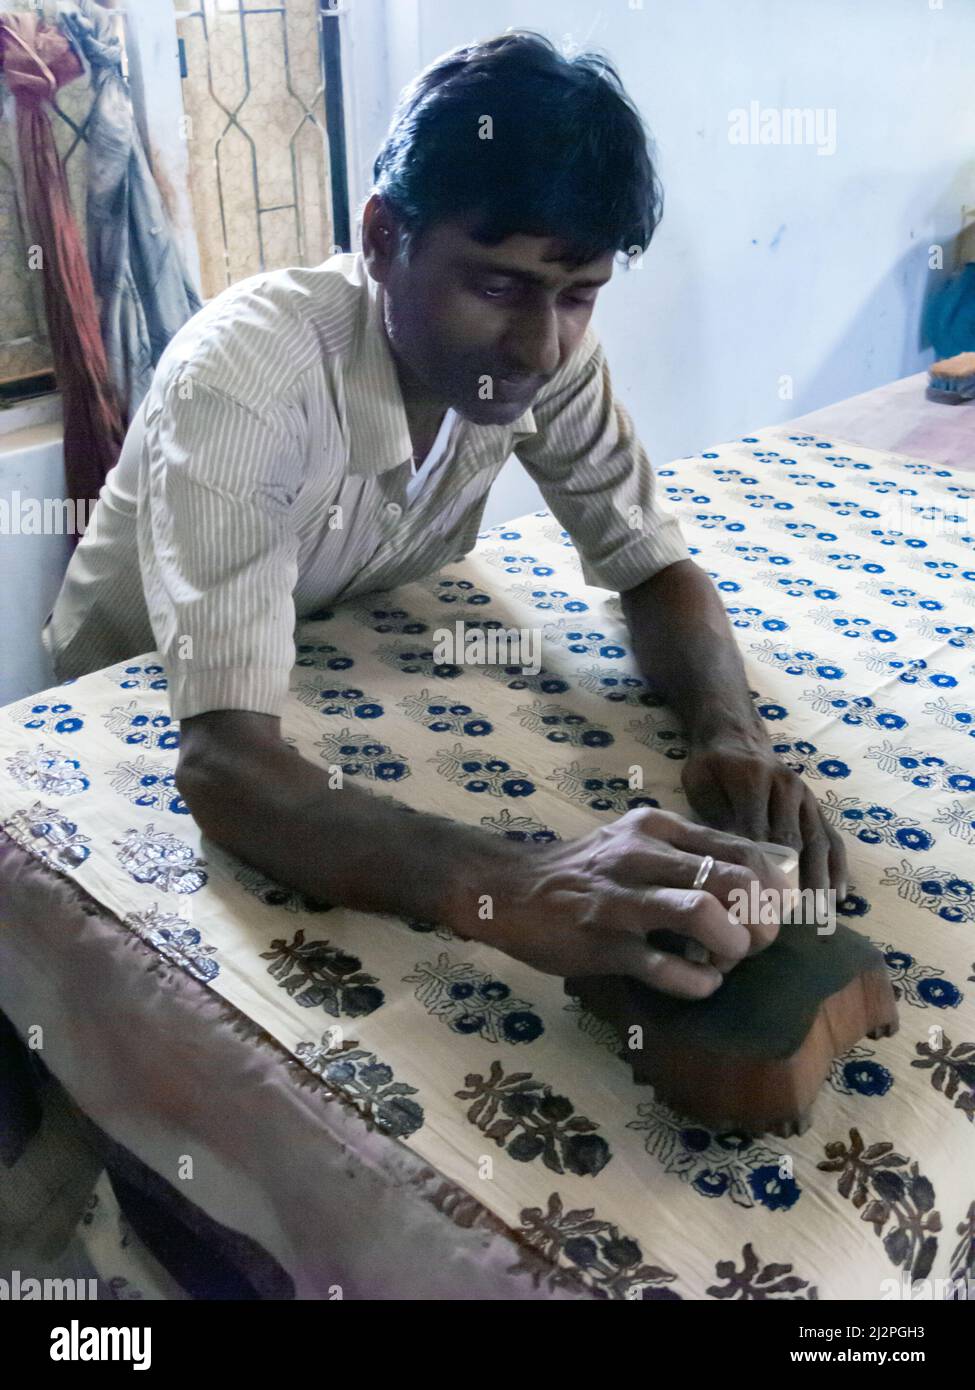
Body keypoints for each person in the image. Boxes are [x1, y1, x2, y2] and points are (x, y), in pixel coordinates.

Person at [42, 31, 847, 997]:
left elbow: (651, 565)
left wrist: (731, 735)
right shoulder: (246, 377)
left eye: (579, 294)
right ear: (383, 238)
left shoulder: (543, 354)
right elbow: (221, 765)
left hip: (335, 655)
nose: (541, 346)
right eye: (497, 284)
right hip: (127, 706)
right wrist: (524, 885)